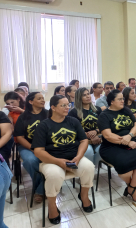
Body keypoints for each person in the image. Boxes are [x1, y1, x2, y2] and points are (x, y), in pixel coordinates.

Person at [32, 95, 95, 224]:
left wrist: (78, 156)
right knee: (54, 175)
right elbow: (38, 151)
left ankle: (83, 195)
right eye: (63, 105)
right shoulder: (44, 125)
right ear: (53, 108)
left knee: (89, 167)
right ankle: (52, 205)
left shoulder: (73, 121)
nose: (68, 108)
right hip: (51, 160)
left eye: (68, 105)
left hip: (73, 158)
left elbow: (84, 140)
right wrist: (58, 161)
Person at [98, 90, 136, 202]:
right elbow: (108, 135)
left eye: (123, 99)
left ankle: (131, 188)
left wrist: (130, 135)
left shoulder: (125, 110)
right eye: (120, 99)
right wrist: (126, 141)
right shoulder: (104, 115)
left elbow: (135, 125)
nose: (123, 101)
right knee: (127, 169)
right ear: (112, 101)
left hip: (130, 141)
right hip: (111, 147)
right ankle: (133, 187)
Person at [14, 92, 47, 202]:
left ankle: (39, 190)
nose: (43, 100)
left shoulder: (49, 114)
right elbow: (19, 137)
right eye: (39, 98)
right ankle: (42, 188)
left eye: (43, 98)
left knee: (53, 160)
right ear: (30, 101)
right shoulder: (23, 117)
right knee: (30, 160)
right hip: (28, 146)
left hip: (47, 146)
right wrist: (33, 148)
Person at [68, 88, 102, 166]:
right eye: (84, 95)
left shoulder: (98, 110)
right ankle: (88, 171)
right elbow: (72, 130)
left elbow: (104, 125)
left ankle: (94, 168)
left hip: (98, 137)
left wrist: (96, 131)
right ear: (79, 98)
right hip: (82, 140)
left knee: (101, 149)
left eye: (88, 94)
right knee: (88, 151)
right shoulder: (73, 112)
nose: (87, 96)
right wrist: (86, 135)